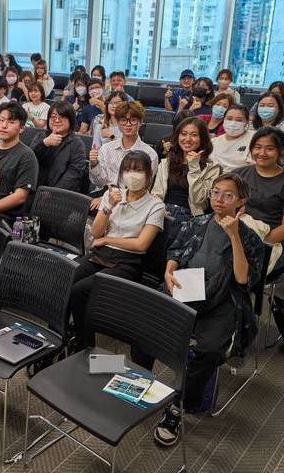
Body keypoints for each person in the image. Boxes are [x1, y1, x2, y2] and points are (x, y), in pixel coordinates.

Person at [154, 172, 265, 447]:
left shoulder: (251, 239)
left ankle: (178, 407)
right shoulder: (197, 222)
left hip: (224, 300)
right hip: (187, 287)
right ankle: (141, 385)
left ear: (241, 201)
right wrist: (169, 272)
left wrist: (234, 236)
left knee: (210, 350)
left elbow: (243, 279)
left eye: (228, 195)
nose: (219, 199)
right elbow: (176, 251)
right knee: (146, 321)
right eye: (216, 192)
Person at [68, 151, 165, 347]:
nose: (132, 174)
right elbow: (95, 232)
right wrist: (108, 207)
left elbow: (141, 244)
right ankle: (63, 332)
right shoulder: (111, 195)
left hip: (128, 261)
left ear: (149, 174)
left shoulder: (155, 205)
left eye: (138, 170)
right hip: (101, 254)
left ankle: (85, 347)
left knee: (80, 291)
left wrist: (107, 239)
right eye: (128, 169)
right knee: (67, 277)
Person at [234, 127, 284, 276]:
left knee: (230, 267)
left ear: (280, 151)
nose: (262, 153)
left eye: (269, 149)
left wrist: (255, 243)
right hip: (236, 232)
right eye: (257, 147)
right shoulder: (238, 174)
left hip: (270, 242)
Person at [151, 117, 221, 228]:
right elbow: (156, 194)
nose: (187, 139)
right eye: (183, 134)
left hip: (191, 218)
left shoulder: (212, 168)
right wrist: (159, 210)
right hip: (163, 212)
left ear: (202, 139)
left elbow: (198, 200)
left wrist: (194, 167)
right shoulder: (166, 163)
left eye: (194, 135)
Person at [88, 100, 159, 193]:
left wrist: (107, 200)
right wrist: (94, 164)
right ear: (117, 122)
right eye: (123, 120)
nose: (128, 124)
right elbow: (99, 183)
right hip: (105, 193)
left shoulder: (150, 154)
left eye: (133, 120)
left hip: (133, 200)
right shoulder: (106, 149)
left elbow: (142, 189)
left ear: (140, 122)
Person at [32, 101, 88, 193]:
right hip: (34, 189)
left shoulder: (77, 144)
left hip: (59, 195)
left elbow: (74, 174)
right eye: (53, 117)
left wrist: (52, 193)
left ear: (71, 120)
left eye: (62, 117)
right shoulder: (41, 137)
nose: (57, 120)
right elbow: (29, 162)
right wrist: (44, 144)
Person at [210, 104, 254, 170]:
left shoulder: (253, 139)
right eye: (229, 119)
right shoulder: (214, 142)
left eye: (239, 120)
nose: (233, 123)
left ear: (247, 122)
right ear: (224, 120)